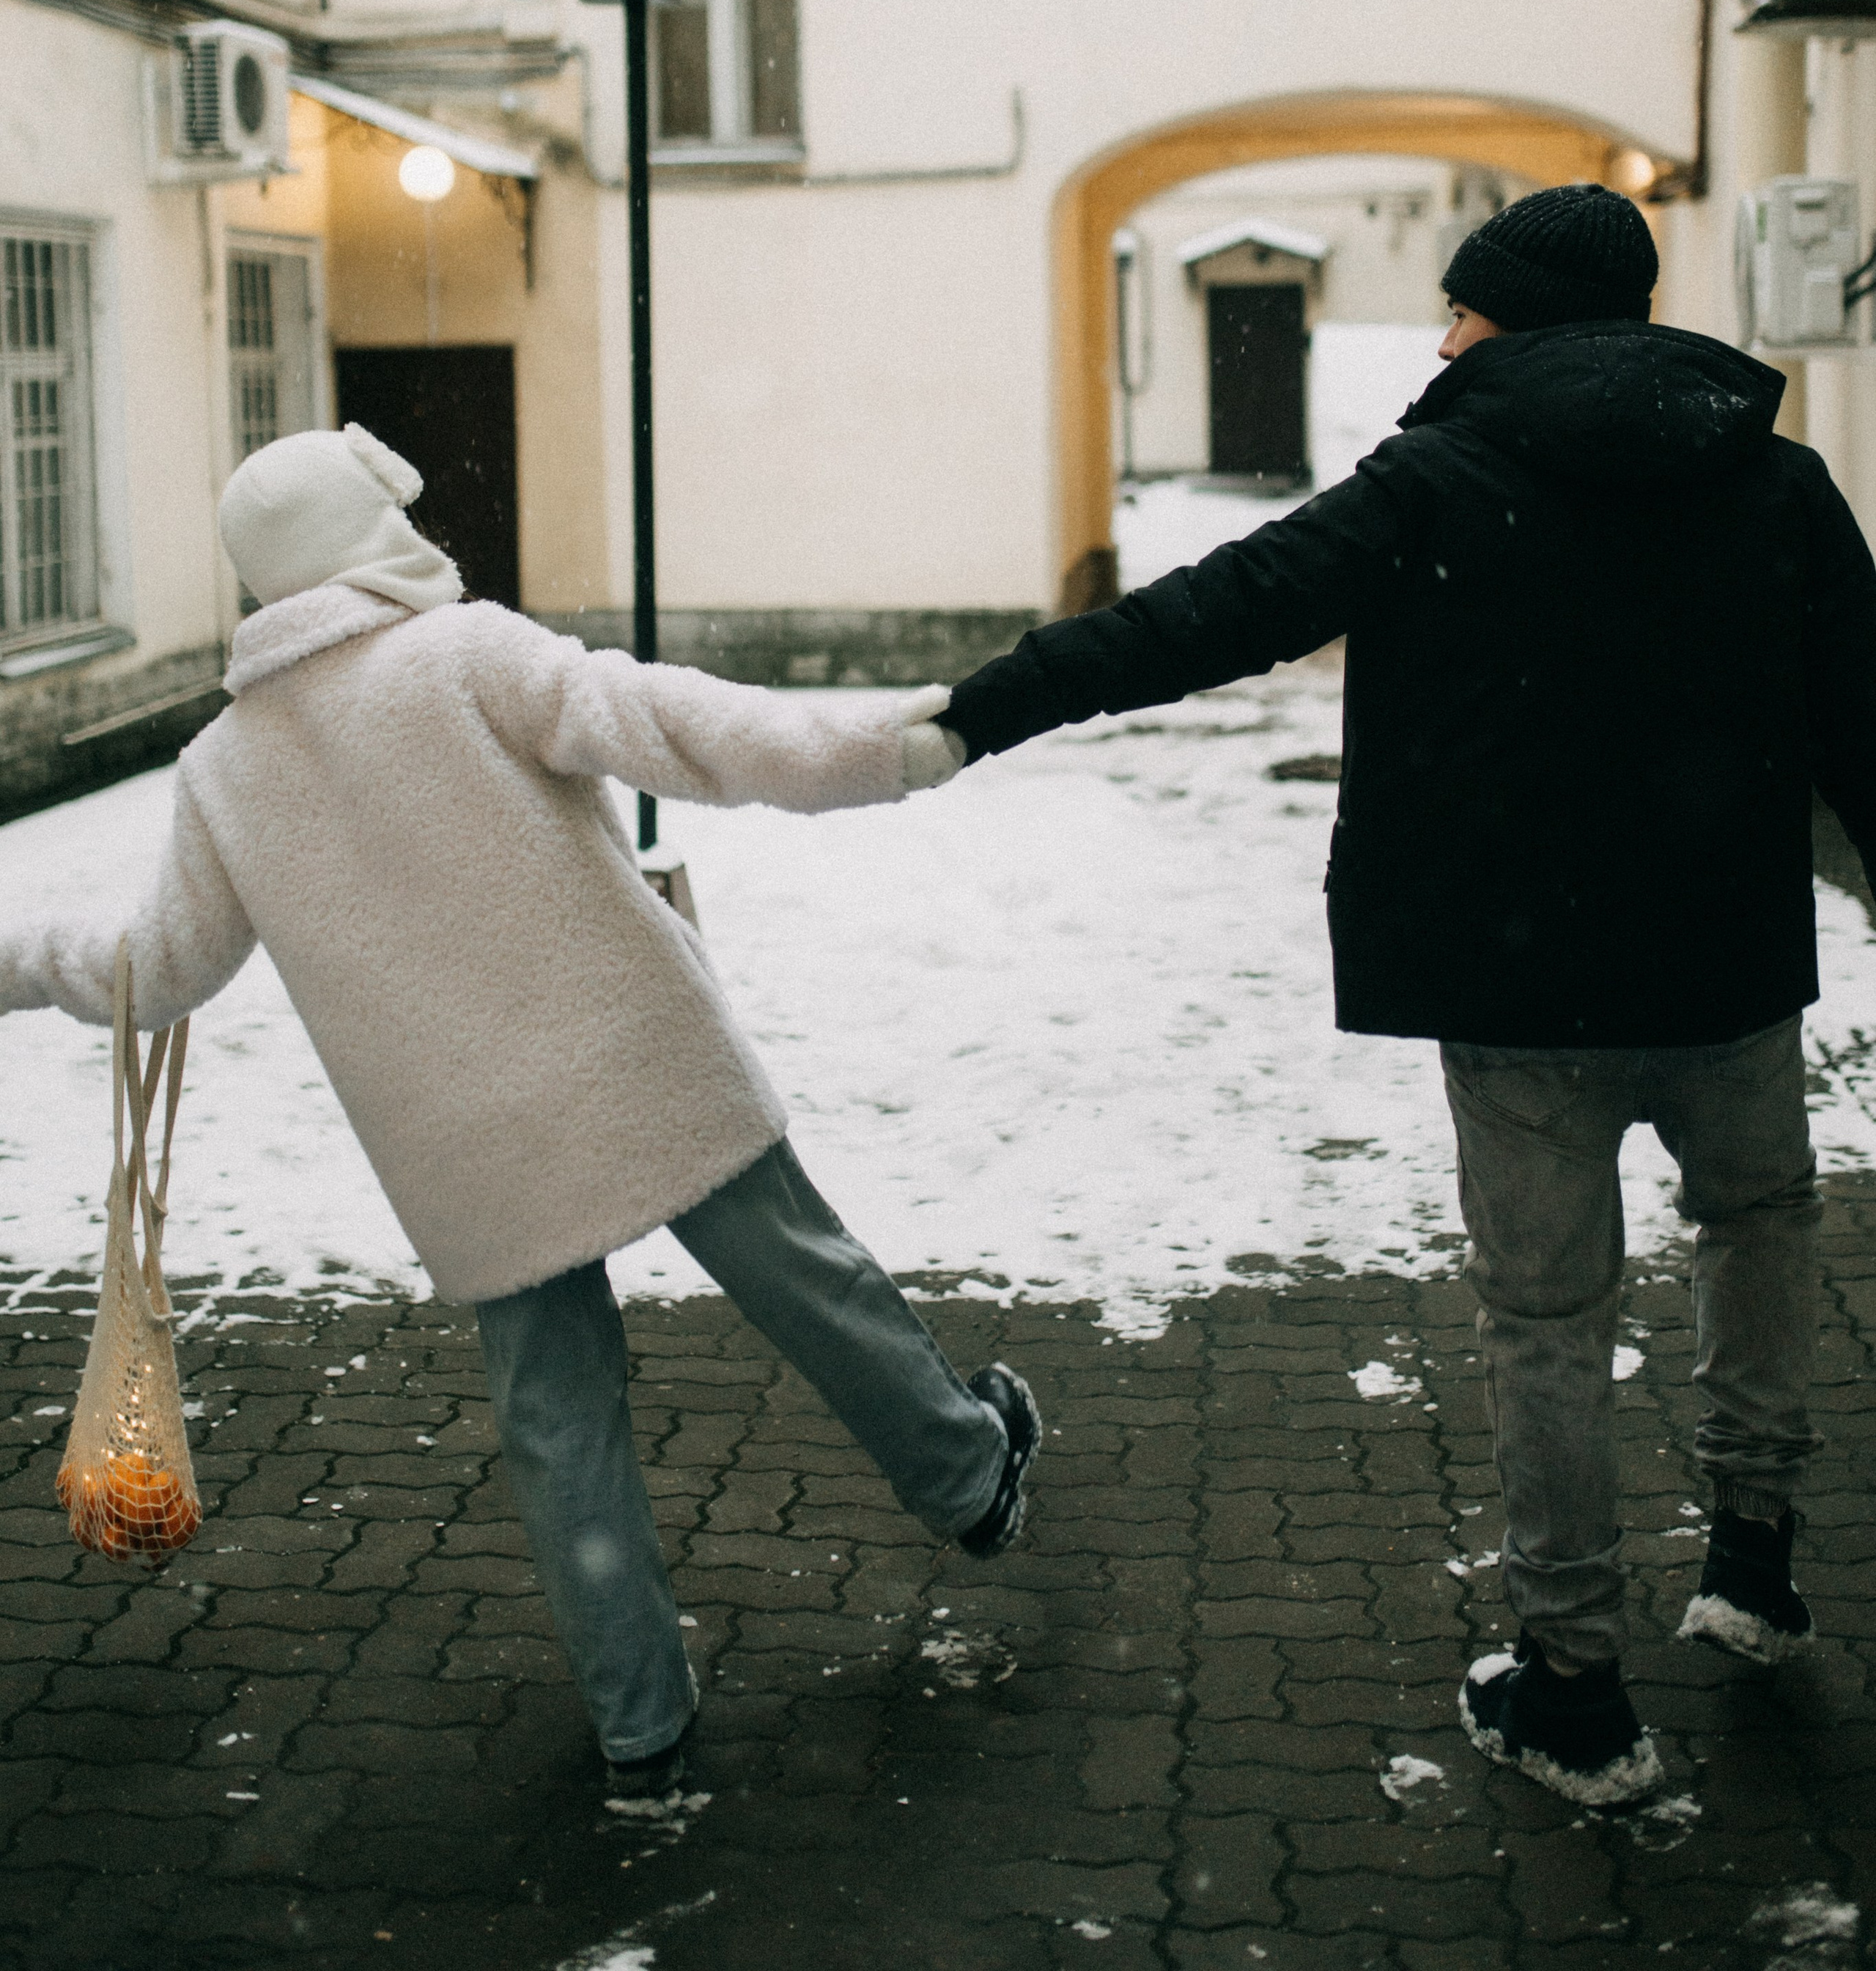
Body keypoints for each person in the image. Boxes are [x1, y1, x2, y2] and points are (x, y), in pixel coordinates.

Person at [929, 182, 1876, 1805]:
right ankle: (1752, 1561)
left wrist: (985, 707)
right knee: (1757, 1235)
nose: (1440, 334)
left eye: (1458, 306)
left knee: (1547, 1327)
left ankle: (1573, 1691)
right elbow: (1864, 716)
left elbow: (1213, 613)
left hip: (1520, 989)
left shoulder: (1439, 478)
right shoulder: (1771, 477)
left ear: (1507, 316)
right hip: (1722, 969)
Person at [0, 424, 1039, 1798]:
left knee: (559, 1422)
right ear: (360, 540)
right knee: (807, 1280)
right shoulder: (464, 655)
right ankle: (968, 1476)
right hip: (634, 1057)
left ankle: (643, 1731)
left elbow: (161, 967)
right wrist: (891, 745)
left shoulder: (226, 768)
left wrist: (13, 958)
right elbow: (679, 724)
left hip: (465, 1142)